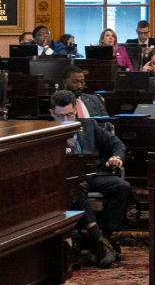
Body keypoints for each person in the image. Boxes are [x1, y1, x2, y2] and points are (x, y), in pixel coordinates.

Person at [51, 90, 129, 269]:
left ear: (76, 111)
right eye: (60, 116)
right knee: (76, 186)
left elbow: (117, 144)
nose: (66, 120)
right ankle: (99, 241)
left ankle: (102, 240)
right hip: (70, 180)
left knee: (122, 187)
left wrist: (116, 157)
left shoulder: (89, 125)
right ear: (52, 113)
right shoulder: (47, 132)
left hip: (96, 174)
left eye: (70, 115)